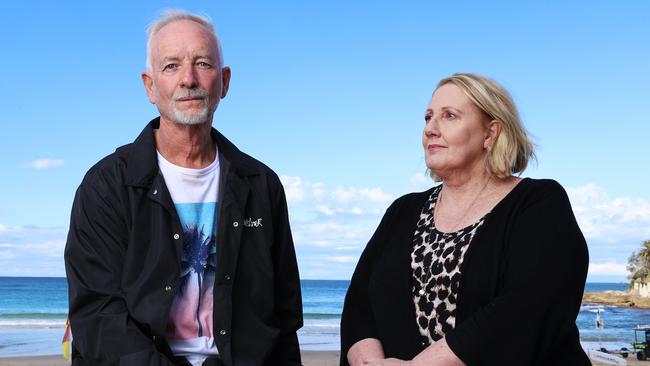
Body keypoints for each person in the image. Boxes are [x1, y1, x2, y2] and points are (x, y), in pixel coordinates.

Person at [64, 10, 302, 366]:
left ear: (224, 82)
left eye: (203, 64)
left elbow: (283, 319)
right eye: (171, 66)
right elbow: (98, 318)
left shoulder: (262, 186)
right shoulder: (106, 186)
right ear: (149, 86)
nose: (188, 79)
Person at [340, 73, 590, 366]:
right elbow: (360, 305)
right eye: (427, 117)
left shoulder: (538, 202)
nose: (430, 129)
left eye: (449, 116)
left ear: (491, 133)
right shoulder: (402, 210)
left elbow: (531, 307)